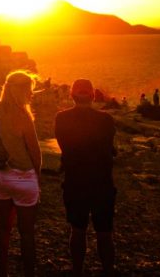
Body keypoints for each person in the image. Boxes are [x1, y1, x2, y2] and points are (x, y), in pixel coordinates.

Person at [54, 78, 117, 276]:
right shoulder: (106, 119)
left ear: (72, 95)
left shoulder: (61, 118)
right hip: (102, 183)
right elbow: (110, 149)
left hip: (75, 182)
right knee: (105, 232)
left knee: (78, 229)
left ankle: (78, 270)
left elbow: (65, 146)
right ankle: (108, 270)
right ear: (92, 95)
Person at [0, 70, 42, 277]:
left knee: (3, 227)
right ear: (21, 91)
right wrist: (37, 179)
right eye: (29, 90)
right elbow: (35, 152)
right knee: (27, 233)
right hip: (23, 178)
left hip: (0, 176)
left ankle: (2, 273)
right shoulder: (23, 115)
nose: (32, 94)